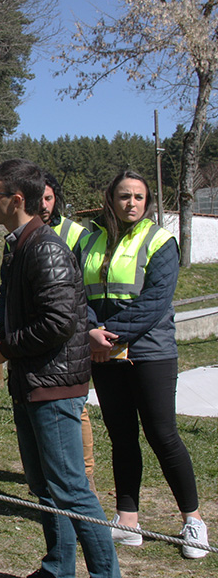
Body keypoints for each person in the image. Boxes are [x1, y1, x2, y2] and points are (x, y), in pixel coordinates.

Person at [0, 159, 120, 578]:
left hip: (54, 387)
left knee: (72, 490)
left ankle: (105, 575)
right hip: (32, 382)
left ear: (16, 200)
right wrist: (1, 331)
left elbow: (60, 322)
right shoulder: (18, 243)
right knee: (45, 487)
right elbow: (33, 310)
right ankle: (58, 567)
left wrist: (7, 348)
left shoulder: (44, 246)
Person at [82, 170, 210, 558]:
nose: (132, 203)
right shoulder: (90, 240)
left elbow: (156, 301)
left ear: (147, 201)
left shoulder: (160, 240)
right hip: (103, 350)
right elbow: (75, 290)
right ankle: (128, 521)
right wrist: (90, 330)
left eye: (139, 197)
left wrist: (109, 334)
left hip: (149, 352)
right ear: (111, 198)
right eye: (124, 196)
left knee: (162, 434)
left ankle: (193, 521)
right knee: (121, 436)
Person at [39, 171, 97, 492]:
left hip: (71, 332)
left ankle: (85, 475)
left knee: (78, 407)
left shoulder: (75, 233)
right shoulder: (23, 230)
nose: (45, 205)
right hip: (38, 332)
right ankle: (51, 473)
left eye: (49, 198)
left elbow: (83, 285)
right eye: (40, 198)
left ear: (57, 199)